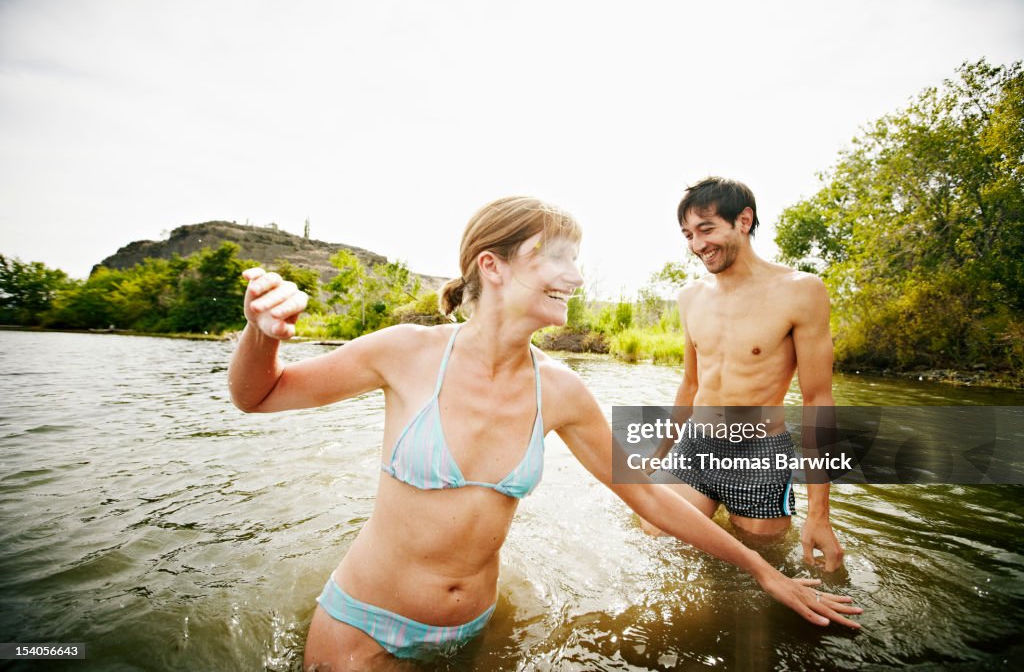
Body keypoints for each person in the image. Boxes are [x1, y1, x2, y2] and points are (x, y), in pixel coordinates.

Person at [227, 196, 861, 669]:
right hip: (361, 626)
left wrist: (760, 569)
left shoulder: (560, 390)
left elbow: (647, 496)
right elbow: (258, 396)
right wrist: (260, 334)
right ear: (493, 266)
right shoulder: (404, 352)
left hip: (478, 627)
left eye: (576, 260)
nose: (577, 276)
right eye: (558, 258)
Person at [639, 177, 845, 573]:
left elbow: (818, 400)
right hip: (695, 449)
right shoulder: (691, 297)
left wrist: (820, 514)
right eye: (688, 234)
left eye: (706, 229)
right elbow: (691, 384)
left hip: (759, 458)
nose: (697, 245)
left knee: (758, 569)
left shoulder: (801, 291)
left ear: (744, 221)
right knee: (656, 540)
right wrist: (658, 456)